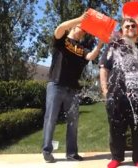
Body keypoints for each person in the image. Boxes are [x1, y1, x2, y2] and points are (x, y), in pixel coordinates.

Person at [42, 12, 104, 163]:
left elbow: (90, 57)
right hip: (56, 84)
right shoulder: (62, 40)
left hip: (73, 88)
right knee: (51, 118)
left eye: (84, 30)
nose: (82, 31)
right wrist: (81, 19)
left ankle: (71, 153)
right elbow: (60, 27)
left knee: (73, 121)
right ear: (73, 28)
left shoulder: (81, 48)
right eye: (80, 28)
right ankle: (46, 151)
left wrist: (101, 43)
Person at [99, 18, 138, 168]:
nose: (130, 28)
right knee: (115, 128)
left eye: (133, 26)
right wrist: (105, 90)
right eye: (127, 26)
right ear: (122, 30)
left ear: (137, 29)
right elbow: (103, 68)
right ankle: (117, 158)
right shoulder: (113, 46)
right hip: (116, 95)